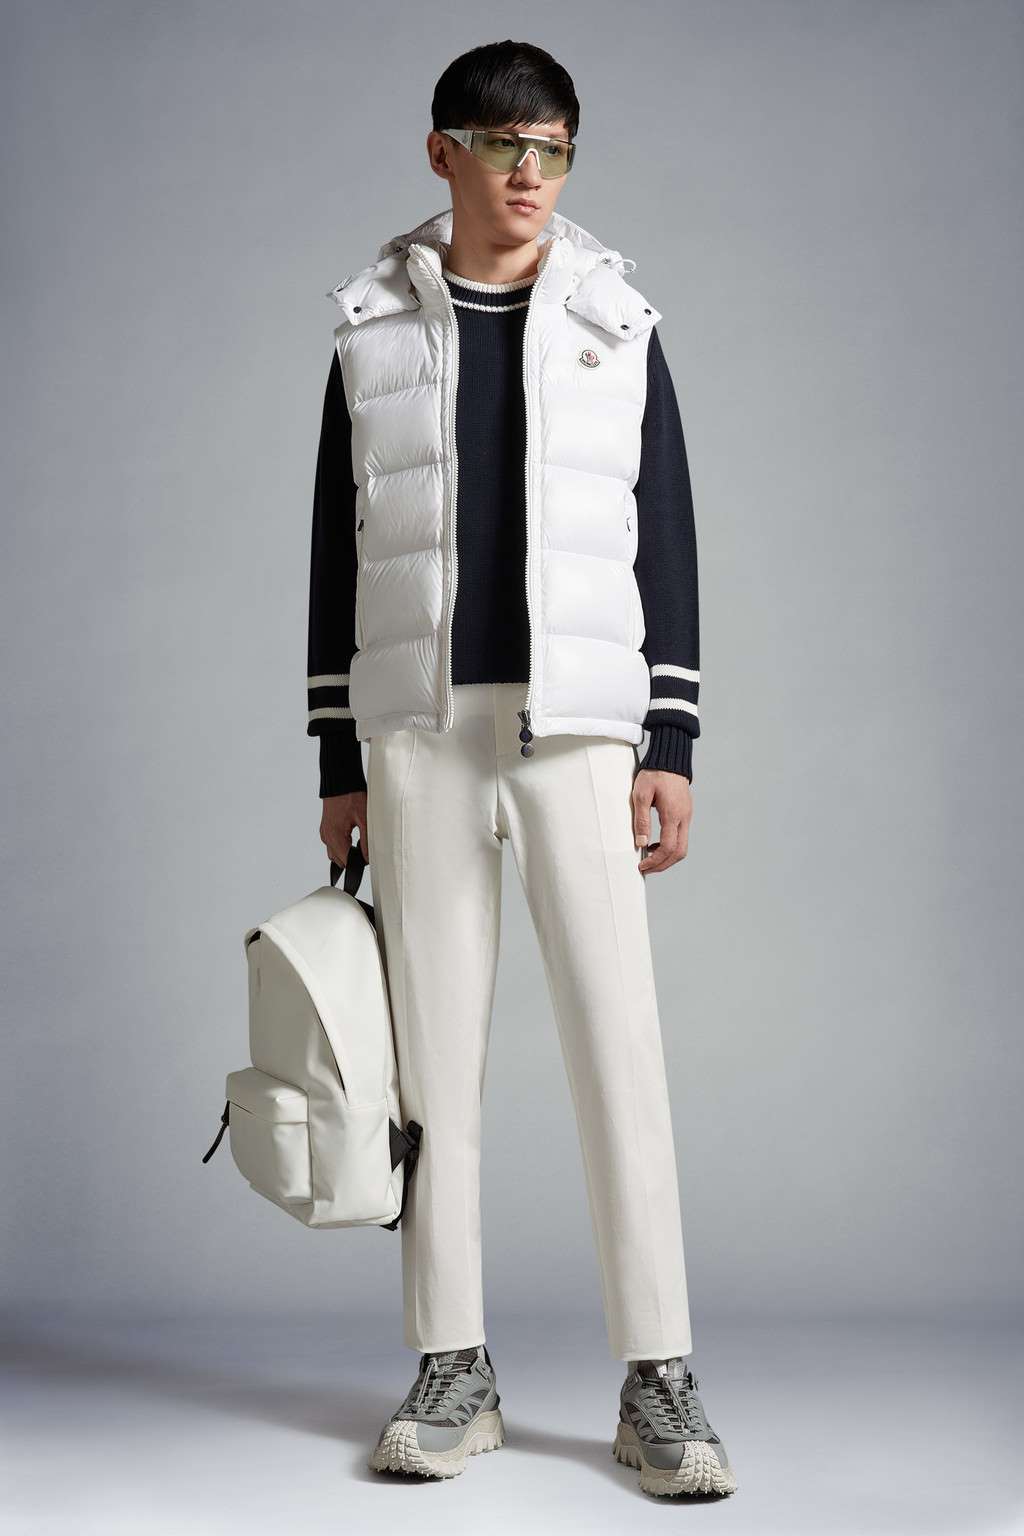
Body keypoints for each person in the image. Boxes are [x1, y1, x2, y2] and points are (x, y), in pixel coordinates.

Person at [306, 39, 737, 1500]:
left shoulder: (617, 318)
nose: (529, 174)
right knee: (434, 1065)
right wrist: (339, 757)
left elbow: (666, 530)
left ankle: (658, 1376)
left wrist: (670, 735)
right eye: (502, 147)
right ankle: (453, 1364)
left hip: (583, 734)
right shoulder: (371, 328)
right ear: (443, 153)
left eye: (551, 148)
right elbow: (337, 549)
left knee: (620, 1049)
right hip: (418, 734)